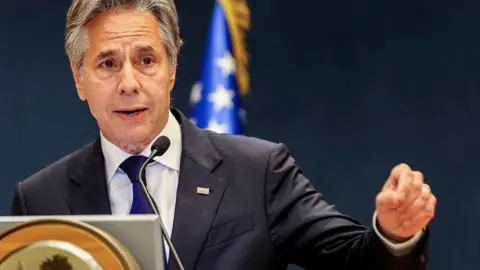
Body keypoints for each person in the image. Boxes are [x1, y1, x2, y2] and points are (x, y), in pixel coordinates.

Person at [10, 0, 436, 269]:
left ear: (172, 69)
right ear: (78, 78)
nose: (128, 83)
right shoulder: (41, 199)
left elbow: (354, 261)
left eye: (146, 60)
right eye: (107, 64)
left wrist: (394, 234)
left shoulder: (258, 172)